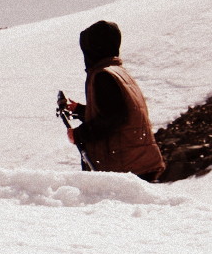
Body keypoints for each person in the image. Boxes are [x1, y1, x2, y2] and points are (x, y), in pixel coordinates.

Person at [66, 20, 166, 182]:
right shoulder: (119, 72)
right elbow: (116, 110)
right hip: (139, 161)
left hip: (126, 166)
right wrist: (80, 110)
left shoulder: (103, 75)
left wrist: (79, 134)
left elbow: (113, 117)